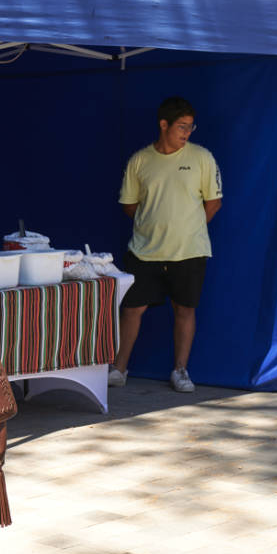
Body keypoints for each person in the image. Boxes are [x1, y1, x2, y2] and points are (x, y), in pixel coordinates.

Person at [110, 96, 222, 393]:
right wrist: (156, 224)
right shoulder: (140, 160)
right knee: (132, 309)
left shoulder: (202, 158)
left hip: (189, 251)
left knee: (185, 309)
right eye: (182, 126)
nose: (187, 132)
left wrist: (186, 229)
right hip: (144, 251)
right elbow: (130, 205)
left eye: (190, 127)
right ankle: (119, 369)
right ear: (164, 125)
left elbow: (213, 202)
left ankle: (180, 370)